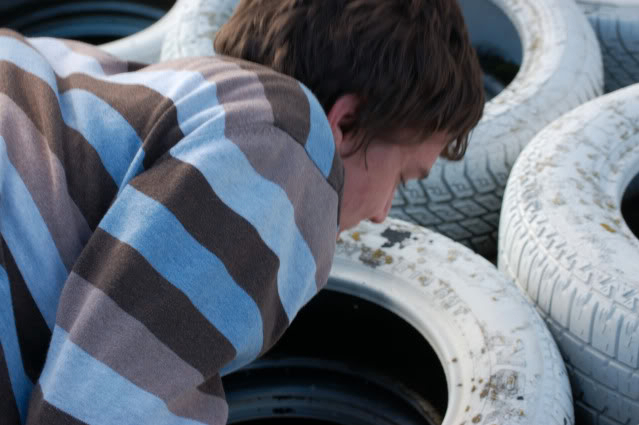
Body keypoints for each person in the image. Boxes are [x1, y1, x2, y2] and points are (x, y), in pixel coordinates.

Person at [0, 0, 483, 423]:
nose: (383, 213)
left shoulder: (104, 81)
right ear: (348, 123)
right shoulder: (286, 141)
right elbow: (92, 414)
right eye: (400, 177)